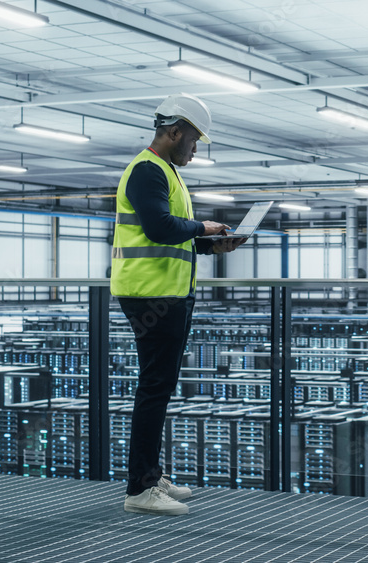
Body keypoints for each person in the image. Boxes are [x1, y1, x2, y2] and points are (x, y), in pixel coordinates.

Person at [110, 93, 246, 516]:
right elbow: (158, 227)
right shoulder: (148, 171)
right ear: (174, 133)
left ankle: (151, 474)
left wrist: (208, 245)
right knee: (154, 389)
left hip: (164, 293)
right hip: (152, 295)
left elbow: (173, 235)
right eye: (193, 141)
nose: (194, 148)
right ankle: (141, 489)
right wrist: (201, 226)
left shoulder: (164, 171)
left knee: (159, 387)